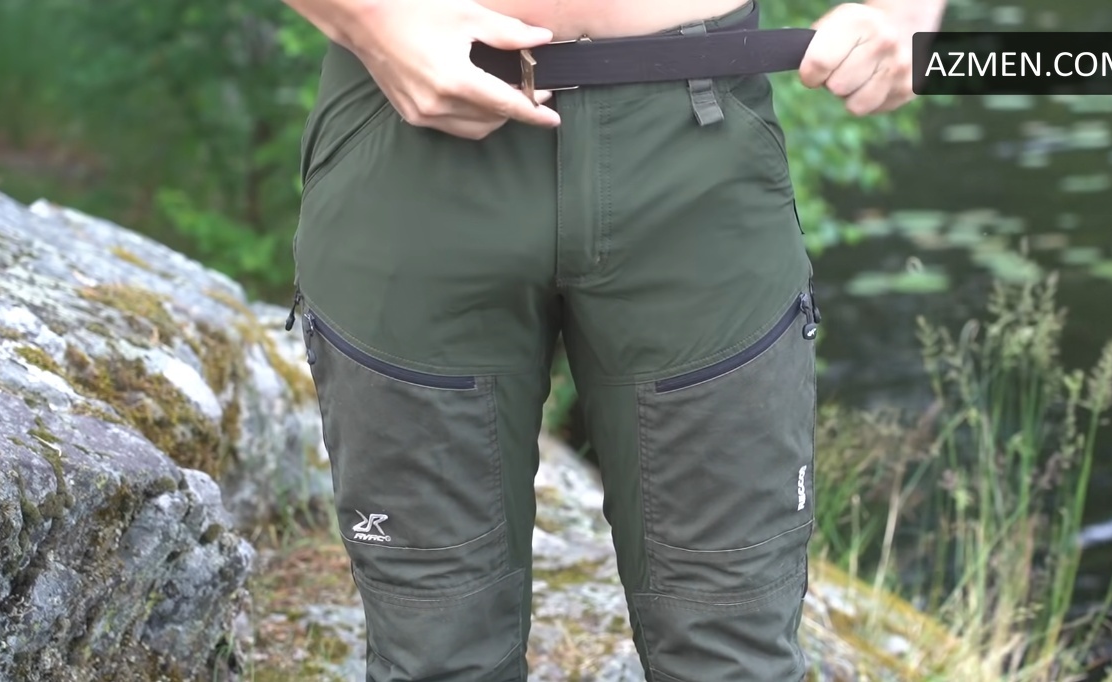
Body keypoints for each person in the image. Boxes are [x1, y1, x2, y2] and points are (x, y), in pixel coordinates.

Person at [279, 0, 946, 679]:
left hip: (698, 151)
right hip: (413, 126)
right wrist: (369, 19)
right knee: (434, 659)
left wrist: (905, 12)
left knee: (735, 659)